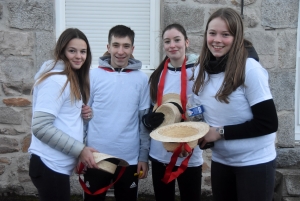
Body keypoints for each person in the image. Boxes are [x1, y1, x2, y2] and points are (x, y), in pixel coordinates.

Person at [193, 8, 278, 201]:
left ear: (237, 37)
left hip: (255, 164)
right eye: (212, 33)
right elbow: (200, 111)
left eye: (226, 35)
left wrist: (220, 132)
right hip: (221, 162)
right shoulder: (200, 70)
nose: (217, 40)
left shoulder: (250, 69)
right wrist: (195, 133)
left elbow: (268, 123)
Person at [28, 28, 99, 201]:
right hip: (49, 166)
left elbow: (62, 120)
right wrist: (80, 150)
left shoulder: (70, 78)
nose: (78, 56)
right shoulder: (56, 80)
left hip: (55, 167)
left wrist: (83, 116)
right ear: (61, 52)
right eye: (72, 51)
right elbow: (40, 127)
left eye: (83, 52)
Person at [83, 25, 150, 201]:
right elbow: (82, 119)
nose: (120, 51)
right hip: (96, 157)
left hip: (128, 158)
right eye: (116, 45)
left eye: (126, 46)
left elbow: (143, 121)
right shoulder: (92, 76)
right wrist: (80, 151)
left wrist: (143, 157)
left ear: (132, 49)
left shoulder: (142, 79)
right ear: (108, 47)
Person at [143, 23, 203, 201]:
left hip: (189, 152)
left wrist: (188, 136)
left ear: (187, 42)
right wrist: (148, 121)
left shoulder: (199, 72)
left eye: (177, 40)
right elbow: (150, 108)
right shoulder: (157, 75)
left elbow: (205, 108)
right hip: (160, 153)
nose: (172, 45)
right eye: (167, 41)